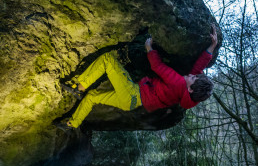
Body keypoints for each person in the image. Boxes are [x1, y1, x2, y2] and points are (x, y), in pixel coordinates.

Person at [56, 24, 218, 131]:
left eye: (192, 79)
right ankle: (72, 123)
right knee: (92, 97)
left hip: (133, 93)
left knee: (107, 60)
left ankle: (79, 86)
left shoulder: (178, 83)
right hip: (131, 103)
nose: (191, 75)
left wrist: (149, 47)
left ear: (190, 88)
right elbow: (198, 69)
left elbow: (157, 66)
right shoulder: (190, 98)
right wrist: (211, 47)